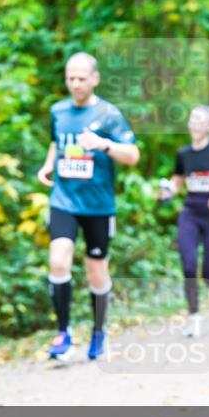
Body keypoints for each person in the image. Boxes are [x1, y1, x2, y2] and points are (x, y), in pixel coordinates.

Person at [37, 53, 139, 361]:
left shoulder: (109, 114)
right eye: (71, 78)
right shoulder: (58, 111)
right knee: (58, 261)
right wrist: (48, 165)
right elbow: (57, 142)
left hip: (98, 205)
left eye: (82, 78)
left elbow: (133, 155)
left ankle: (98, 330)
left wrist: (104, 145)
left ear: (94, 78)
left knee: (97, 273)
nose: (76, 84)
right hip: (64, 200)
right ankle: (63, 333)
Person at [160, 106, 209, 336]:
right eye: (192, 118)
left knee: (208, 274)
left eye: (200, 120)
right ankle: (194, 316)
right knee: (188, 264)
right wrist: (168, 191)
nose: (194, 123)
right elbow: (177, 181)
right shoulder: (184, 154)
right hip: (191, 213)